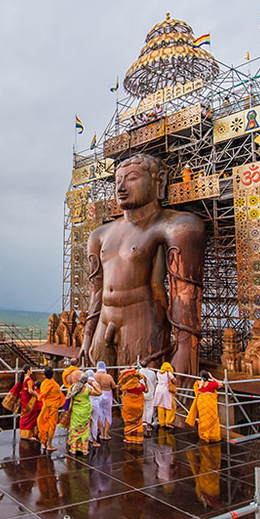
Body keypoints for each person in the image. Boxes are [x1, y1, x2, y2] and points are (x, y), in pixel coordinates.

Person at [79, 153, 205, 374]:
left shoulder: (176, 226)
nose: (121, 187)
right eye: (118, 181)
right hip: (103, 323)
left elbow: (184, 295)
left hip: (143, 322)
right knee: (99, 393)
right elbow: (96, 291)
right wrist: (87, 336)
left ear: (160, 181)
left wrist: (185, 349)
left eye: (132, 178)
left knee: (140, 394)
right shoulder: (99, 235)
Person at [66, 371, 102, 456]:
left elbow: (69, 397)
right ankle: (84, 450)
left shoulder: (74, 387)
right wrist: (93, 384)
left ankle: (74, 449)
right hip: (85, 412)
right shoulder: (87, 390)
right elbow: (99, 393)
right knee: (85, 430)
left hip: (76, 412)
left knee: (75, 429)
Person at [185, 370, 221, 442]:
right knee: (211, 420)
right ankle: (210, 435)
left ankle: (203, 434)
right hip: (209, 404)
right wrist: (212, 377)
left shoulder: (197, 384)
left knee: (202, 419)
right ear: (208, 377)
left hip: (201, 403)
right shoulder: (211, 384)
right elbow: (221, 384)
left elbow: (196, 392)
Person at [36, 366, 65, 452]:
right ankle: (49, 444)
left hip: (46, 407)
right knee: (51, 426)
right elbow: (60, 396)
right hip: (53, 408)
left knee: (42, 424)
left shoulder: (44, 383)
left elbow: (41, 396)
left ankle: (44, 444)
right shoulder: (55, 385)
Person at [118, 366, 147, 444]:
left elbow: (120, 385)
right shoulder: (140, 386)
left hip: (129, 405)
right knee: (138, 422)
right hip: (139, 405)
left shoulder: (128, 385)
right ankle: (139, 439)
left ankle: (129, 438)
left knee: (129, 422)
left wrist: (127, 371)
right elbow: (146, 390)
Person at [14, 365, 40, 441]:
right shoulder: (28, 380)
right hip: (29, 400)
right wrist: (37, 395)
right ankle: (28, 435)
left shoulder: (24, 379)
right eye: (31, 369)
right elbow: (30, 391)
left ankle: (24, 433)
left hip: (25, 399)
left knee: (25, 416)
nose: (32, 370)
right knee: (30, 416)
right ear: (28, 370)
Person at [154, 362, 177, 428]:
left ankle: (162, 422)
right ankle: (168, 422)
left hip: (158, 390)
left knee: (160, 406)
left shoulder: (158, 373)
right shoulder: (168, 373)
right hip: (166, 391)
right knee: (169, 406)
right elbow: (174, 381)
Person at [138, 357, 158, 429]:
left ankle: (143, 422)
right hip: (150, 393)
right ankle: (148, 425)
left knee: (142, 408)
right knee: (149, 409)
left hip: (141, 393)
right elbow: (155, 382)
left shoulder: (139, 372)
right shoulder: (152, 373)